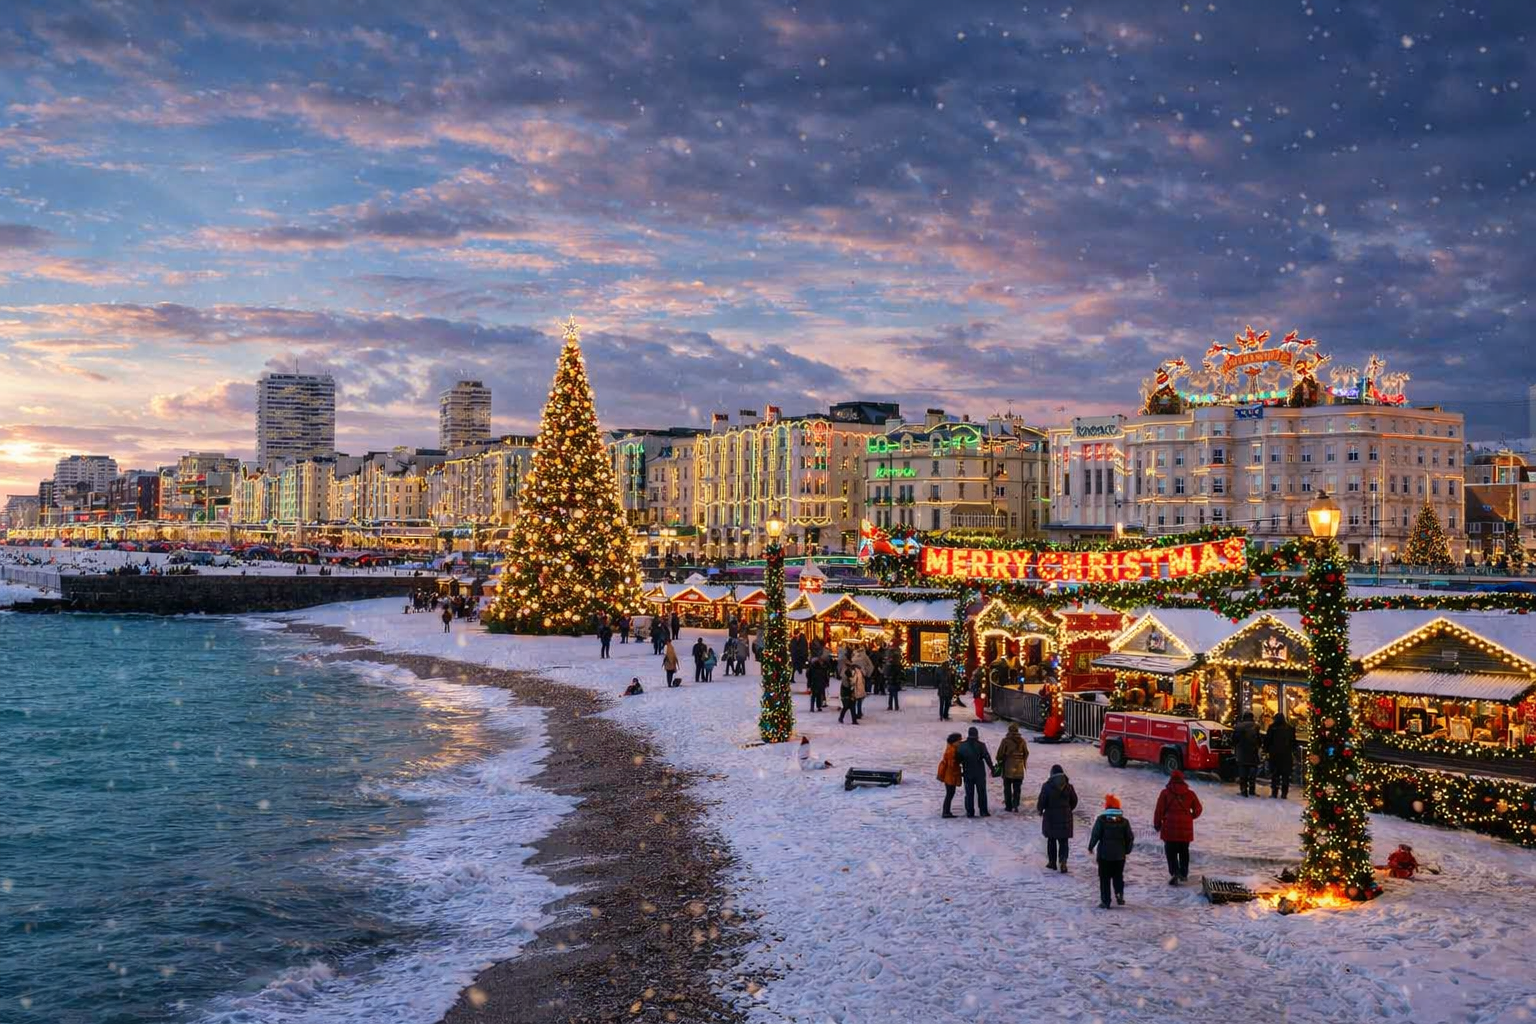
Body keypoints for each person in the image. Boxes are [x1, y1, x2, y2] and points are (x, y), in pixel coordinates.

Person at [1152, 769, 1203, 885]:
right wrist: (1190, 816)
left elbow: (1159, 810)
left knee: (1171, 852)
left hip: (1170, 828)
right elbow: (1198, 809)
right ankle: (1184, 874)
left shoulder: (1165, 793)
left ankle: (1175, 872)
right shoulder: (1190, 794)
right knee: (1184, 851)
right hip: (1185, 829)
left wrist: (1157, 824)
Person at [1087, 794, 1135, 909]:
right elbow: (1130, 838)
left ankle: (1106, 901)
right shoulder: (1124, 822)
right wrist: (1126, 850)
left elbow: (1095, 835)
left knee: (1104, 878)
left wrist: (1091, 846)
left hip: (1104, 855)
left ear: (1107, 806)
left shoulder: (1101, 820)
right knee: (1118, 876)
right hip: (1119, 856)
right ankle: (1119, 893)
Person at [1037, 764, 1079, 872]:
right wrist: (1068, 809)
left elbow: (1042, 800)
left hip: (1051, 818)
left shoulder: (1047, 786)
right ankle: (1063, 861)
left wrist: (1040, 809)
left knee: (1051, 840)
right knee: (1063, 841)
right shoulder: (1069, 786)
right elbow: (1074, 801)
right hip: (1065, 818)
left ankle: (1052, 862)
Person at [955, 726, 995, 818]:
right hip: (979, 773)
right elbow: (987, 758)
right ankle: (983, 811)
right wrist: (992, 768)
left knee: (969, 793)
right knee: (982, 792)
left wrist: (959, 770)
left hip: (967, 772)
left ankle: (970, 811)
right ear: (977, 735)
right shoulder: (981, 745)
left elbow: (957, 760)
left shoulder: (962, 746)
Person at [996, 723, 1030, 812]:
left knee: (1007, 787)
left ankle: (1008, 806)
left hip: (1008, 768)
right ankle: (1016, 804)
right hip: (1019, 768)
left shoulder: (1005, 741)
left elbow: (1000, 754)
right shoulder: (1022, 741)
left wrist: (1000, 760)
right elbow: (1026, 753)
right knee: (1017, 788)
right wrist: (1022, 761)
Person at [1265, 713, 1297, 799]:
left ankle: (1274, 792)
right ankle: (1284, 793)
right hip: (1286, 755)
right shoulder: (1290, 728)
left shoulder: (1272, 728)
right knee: (1285, 775)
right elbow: (1293, 742)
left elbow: (1267, 741)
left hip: (1274, 754)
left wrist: (1267, 750)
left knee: (1275, 774)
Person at [1233, 711, 1261, 797]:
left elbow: (1234, 739)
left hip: (1242, 752)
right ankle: (1252, 790)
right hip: (1253, 752)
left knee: (1243, 773)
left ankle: (1243, 790)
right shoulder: (1256, 726)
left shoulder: (1238, 726)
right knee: (1252, 773)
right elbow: (1259, 740)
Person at [936, 732, 963, 817]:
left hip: (949, 775)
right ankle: (946, 812)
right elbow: (952, 765)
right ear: (954, 741)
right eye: (959, 741)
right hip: (950, 776)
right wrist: (959, 772)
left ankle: (946, 811)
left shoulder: (950, 748)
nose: (960, 743)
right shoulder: (952, 751)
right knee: (950, 794)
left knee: (950, 793)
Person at [849, 658, 867, 722]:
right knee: (859, 702)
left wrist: (850, 680)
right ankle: (859, 712)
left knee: (854, 702)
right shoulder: (860, 670)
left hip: (856, 688)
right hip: (861, 687)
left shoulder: (854, 672)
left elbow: (853, 680)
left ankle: (857, 714)